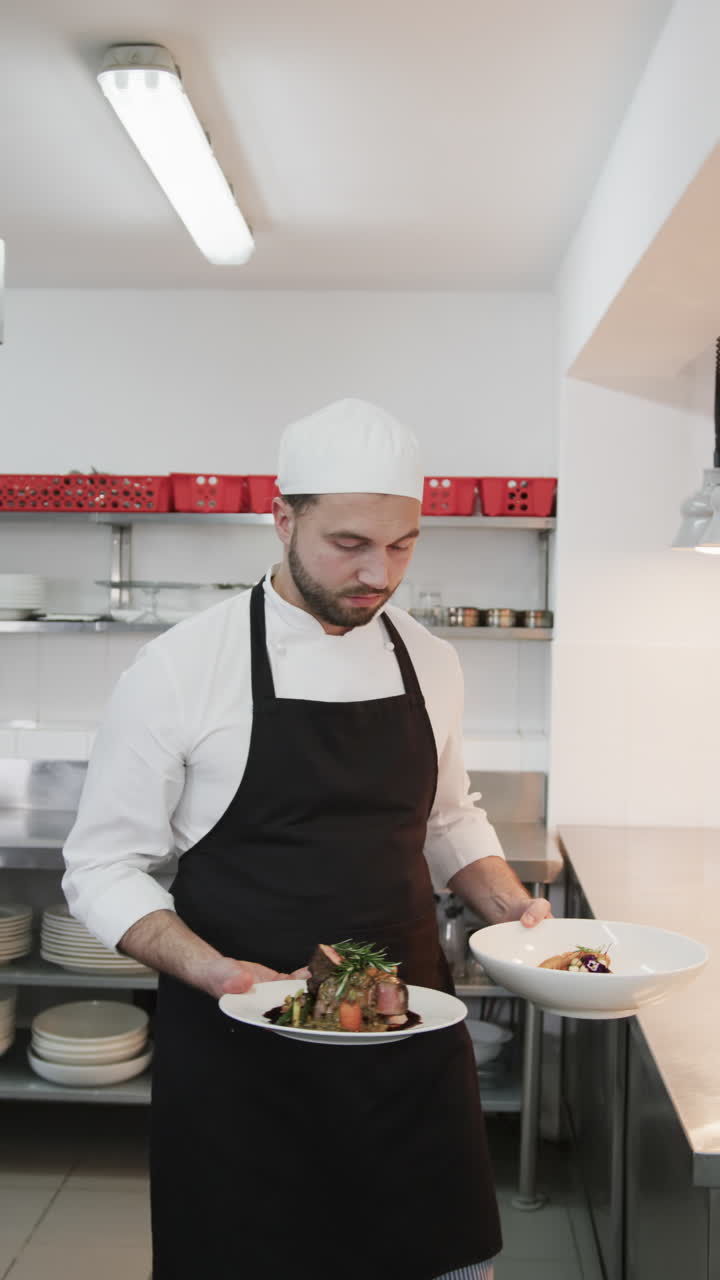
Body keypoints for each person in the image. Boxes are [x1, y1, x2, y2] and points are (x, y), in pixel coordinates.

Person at [63, 398, 551, 1280]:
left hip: (407, 1040)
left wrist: (513, 907)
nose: (380, 574)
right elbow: (102, 866)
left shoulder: (428, 659)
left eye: (402, 545)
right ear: (281, 520)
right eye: (350, 545)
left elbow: (447, 819)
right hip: (240, 1051)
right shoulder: (183, 667)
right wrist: (216, 973)